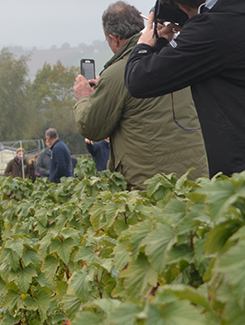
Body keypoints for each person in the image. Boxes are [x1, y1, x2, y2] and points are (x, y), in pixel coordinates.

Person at [74, 1, 208, 190]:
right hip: (197, 179)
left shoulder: (117, 73)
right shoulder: (175, 56)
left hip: (153, 188)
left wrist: (85, 97)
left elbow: (92, 127)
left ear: (115, 39)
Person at [124, 0, 245, 177]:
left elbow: (138, 80)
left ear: (181, 6)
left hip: (238, 174)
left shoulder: (212, 28)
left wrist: (143, 44)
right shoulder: (234, 15)